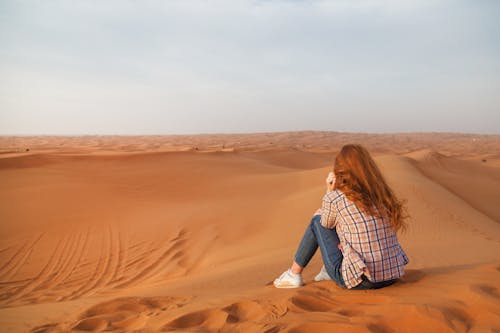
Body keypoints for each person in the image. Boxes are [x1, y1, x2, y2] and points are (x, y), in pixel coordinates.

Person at [273, 144, 409, 290]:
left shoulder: (336, 199)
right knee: (339, 222)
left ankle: (294, 274)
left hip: (360, 281)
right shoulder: (382, 195)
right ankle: (326, 270)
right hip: (392, 275)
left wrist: (329, 191)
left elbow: (325, 223)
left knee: (317, 221)